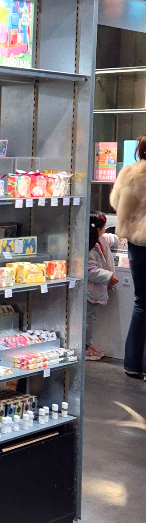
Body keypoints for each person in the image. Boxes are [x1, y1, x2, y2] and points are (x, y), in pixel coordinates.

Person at [110, 140, 146, 377]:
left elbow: (115, 202)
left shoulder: (128, 173)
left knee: (141, 302)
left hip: (135, 244)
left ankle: (132, 364)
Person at [85, 218, 118, 360]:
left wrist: (121, 236)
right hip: (90, 291)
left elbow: (111, 238)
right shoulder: (89, 248)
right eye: (104, 226)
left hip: (96, 290)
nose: (105, 229)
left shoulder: (101, 240)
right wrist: (108, 277)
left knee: (91, 318)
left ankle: (88, 344)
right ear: (98, 229)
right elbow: (90, 271)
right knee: (88, 320)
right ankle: (85, 347)